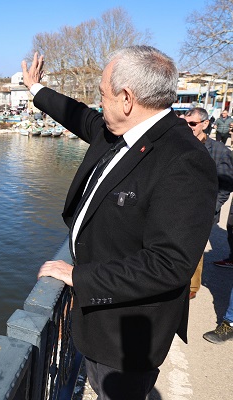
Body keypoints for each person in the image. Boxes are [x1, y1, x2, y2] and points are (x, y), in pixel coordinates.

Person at [21, 46, 217, 399]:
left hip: (126, 338)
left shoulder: (184, 160)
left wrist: (77, 276)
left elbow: (168, 264)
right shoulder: (120, 131)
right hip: (99, 320)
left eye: (102, 95)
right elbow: (77, 115)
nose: (99, 104)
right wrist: (36, 89)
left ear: (126, 99)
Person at [183, 107, 233, 299]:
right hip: (179, 205)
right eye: (185, 123)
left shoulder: (219, 151)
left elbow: (226, 186)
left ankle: (191, 287)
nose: (188, 127)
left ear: (204, 124)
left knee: (195, 245)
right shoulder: (179, 144)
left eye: (192, 124)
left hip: (204, 210)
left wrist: (211, 208)